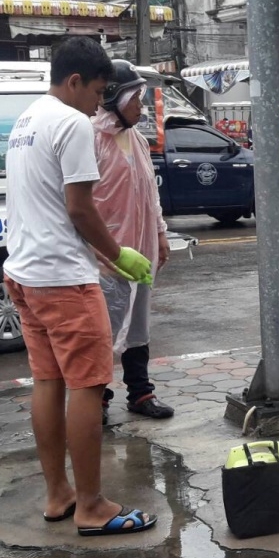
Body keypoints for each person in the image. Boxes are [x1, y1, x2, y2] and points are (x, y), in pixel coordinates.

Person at [3, 37, 157, 537]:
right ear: (74, 82)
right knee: (88, 386)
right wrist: (118, 255)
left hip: (23, 272)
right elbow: (80, 207)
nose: (98, 104)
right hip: (64, 278)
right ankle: (91, 506)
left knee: (48, 383)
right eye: (96, 91)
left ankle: (58, 495)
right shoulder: (71, 123)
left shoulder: (27, 120)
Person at [92, 60, 175, 421]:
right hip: (106, 255)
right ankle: (97, 398)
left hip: (141, 250)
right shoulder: (91, 138)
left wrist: (160, 233)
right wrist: (101, 252)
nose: (140, 108)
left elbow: (150, 194)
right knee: (103, 330)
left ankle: (140, 393)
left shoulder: (137, 140)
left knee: (138, 324)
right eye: (135, 99)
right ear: (113, 98)